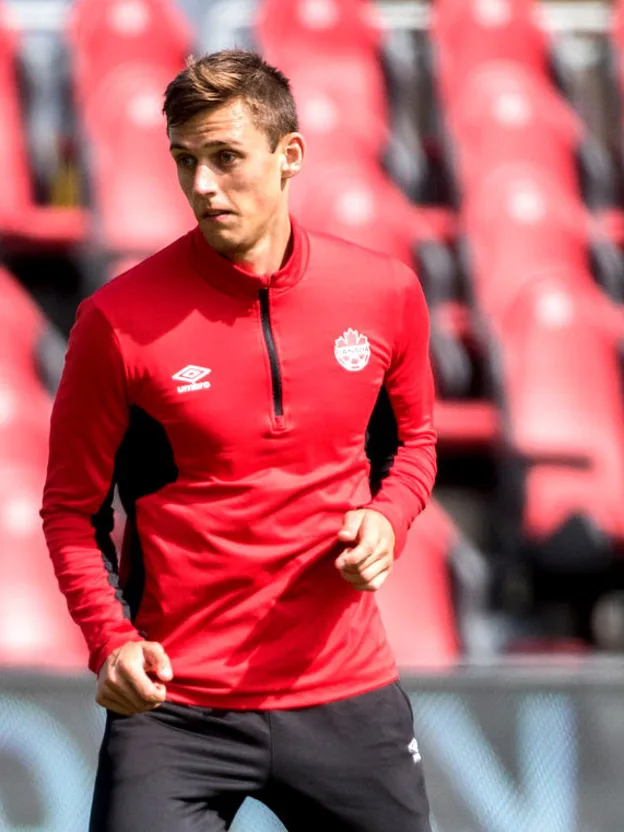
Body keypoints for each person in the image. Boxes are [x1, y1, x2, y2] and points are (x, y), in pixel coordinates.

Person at [41, 49, 437, 832]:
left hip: (345, 692)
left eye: (225, 158)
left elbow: (415, 442)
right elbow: (71, 512)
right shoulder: (116, 323)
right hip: (175, 705)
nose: (202, 185)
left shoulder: (385, 293)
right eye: (184, 160)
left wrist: (387, 520)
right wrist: (111, 643)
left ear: (290, 155)